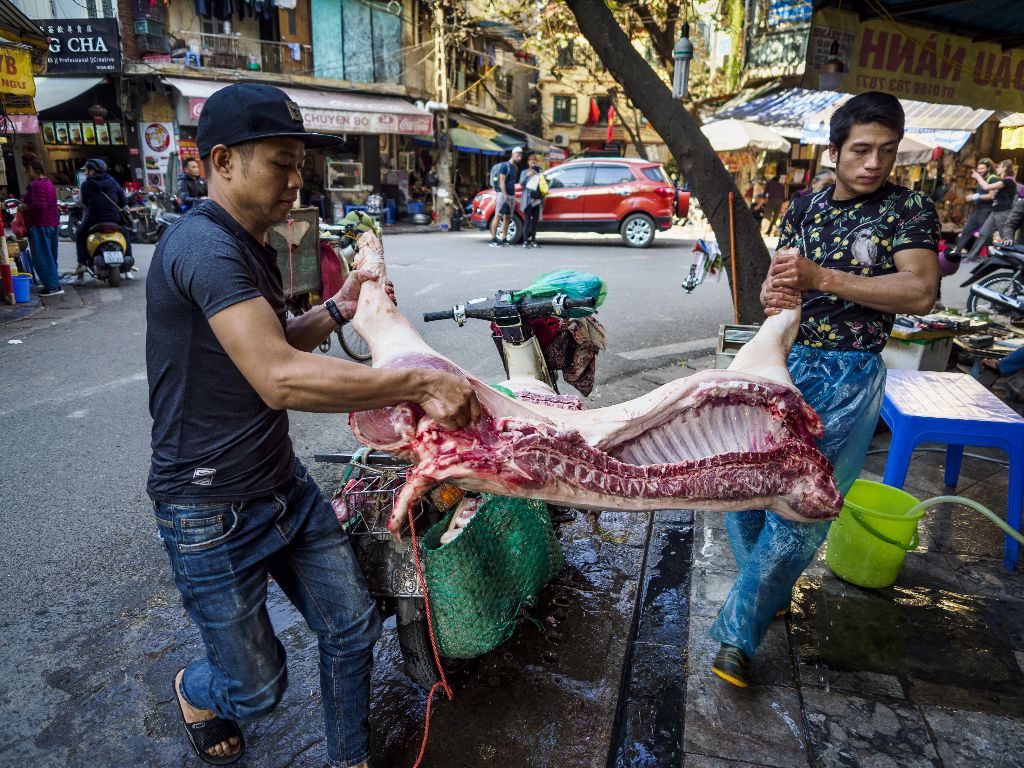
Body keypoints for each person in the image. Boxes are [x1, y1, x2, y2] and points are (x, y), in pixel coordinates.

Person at [147, 83, 480, 767]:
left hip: (282, 486)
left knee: (351, 627)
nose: (298, 181)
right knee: (256, 688)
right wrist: (418, 380)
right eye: (280, 162)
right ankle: (196, 687)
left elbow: (275, 340)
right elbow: (278, 376)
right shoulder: (205, 250)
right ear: (221, 161)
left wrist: (338, 306)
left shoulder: (251, 244)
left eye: (302, 163)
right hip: (209, 510)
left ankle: (348, 759)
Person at [710, 91, 939, 688]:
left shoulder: (909, 210)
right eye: (860, 150)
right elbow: (784, 287)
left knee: (802, 507)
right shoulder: (806, 207)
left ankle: (738, 637)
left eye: (886, 153)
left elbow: (919, 292)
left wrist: (822, 278)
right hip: (788, 361)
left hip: (852, 374)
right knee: (741, 484)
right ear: (832, 151)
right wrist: (776, 298)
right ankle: (767, 589)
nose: (873, 164)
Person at [75, 158, 133, 282]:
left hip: (94, 219)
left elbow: (84, 202)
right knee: (124, 232)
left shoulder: (86, 185)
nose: (85, 173)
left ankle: (82, 263)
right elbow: (123, 200)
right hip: (114, 219)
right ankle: (128, 258)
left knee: (80, 234)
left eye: (86, 170)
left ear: (91, 171)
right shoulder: (113, 182)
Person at [20, 156, 63, 297]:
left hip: (40, 225)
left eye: (26, 170)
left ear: (30, 169)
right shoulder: (48, 183)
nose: (25, 173)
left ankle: (52, 287)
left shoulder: (37, 184)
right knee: (50, 256)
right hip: (51, 223)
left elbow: (40, 206)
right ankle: (53, 284)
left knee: (42, 257)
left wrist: (25, 207)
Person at [962, 159, 1016, 261]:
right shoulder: (1001, 180)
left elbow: (986, 186)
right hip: (995, 211)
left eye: (999, 166)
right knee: (983, 233)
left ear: (1004, 168)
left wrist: (978, 176)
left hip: (1003, 212)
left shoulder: (1008, 181)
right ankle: (972, 256)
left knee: (1006, 236)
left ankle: (1013, 258)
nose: (997, 168)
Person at [954, 157, 998, 260]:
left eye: (982, 168)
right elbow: (982, 192)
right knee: (967, 230)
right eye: (979, 168)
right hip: (978, 210)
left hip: (987, 210)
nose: (980, 171)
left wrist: (976, 196)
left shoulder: (992, 178)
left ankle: (989, 254)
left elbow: (992, 195)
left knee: (985, 234)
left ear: (988, 168)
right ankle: (957, 251)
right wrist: (974, 196)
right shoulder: (981, 178)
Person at [489, 146, 523, 247]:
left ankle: (504, 239)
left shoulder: (515, 168)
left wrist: (513, 196)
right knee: (498, 216)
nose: (519, 157)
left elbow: (511, 183)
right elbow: (502, 182)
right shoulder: (504, 166)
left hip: (511, 195)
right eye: (518, 155)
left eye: (521, 155)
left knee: (508, 217)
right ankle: (493, 239)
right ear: (513, 154)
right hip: (503, 195)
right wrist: (506, 196)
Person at [518, 151, 543, 248]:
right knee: (527, 221)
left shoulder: (540, 171)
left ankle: (533, 240)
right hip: (528, 199)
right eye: (531, 162)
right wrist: (529, 175)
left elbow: (543, 184)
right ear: (528, 162)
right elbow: (521, 183)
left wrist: (539, 175)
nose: (533, 164)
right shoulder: (524, 172)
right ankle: (525, 241)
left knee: (535, 222)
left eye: (534, 162)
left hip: (536, 199)